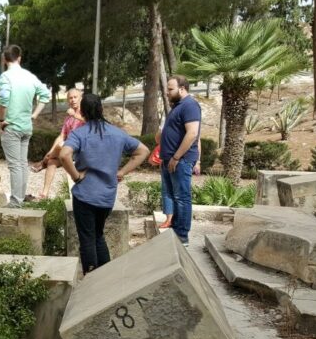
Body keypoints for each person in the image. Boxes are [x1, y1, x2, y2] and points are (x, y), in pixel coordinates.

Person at [60, 93, 149, 274]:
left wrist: (76, 177)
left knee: (87, 239)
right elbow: (143, 151)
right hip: (107, 196)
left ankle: (91, 281)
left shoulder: (80, 133)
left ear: (83, 112)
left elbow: (63, 155)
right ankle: (106, 278)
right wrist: (122, 171)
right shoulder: (117, 133)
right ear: (101, 109)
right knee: (98, 236)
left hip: (85, 195)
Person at [0, 45, 52, 207]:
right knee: (22, 164)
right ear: (19, 58)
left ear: (4, 59)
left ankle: (15, 202)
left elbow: (3, 100)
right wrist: (34, 115)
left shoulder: (6, 77)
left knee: (15, 166)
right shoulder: (30, 76)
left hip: (12, 127)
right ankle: (20, 199)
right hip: (26, 127)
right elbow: (45, 95)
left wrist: (1, 119)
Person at [159, 75, 201, 246]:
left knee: (182, 197)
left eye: (170, 89)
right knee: (173, 196)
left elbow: (192, 134)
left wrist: (176, 157)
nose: (167, 92)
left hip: (180, 160)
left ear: (182, 89)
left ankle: (182, 236)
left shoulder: (190, 105)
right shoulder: (177, 106)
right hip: (169, 160)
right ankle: (176, 230)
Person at [31, 88, 84, 199]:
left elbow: (91, 123)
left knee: (61, 147)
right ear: (68, 101)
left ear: (81, 98)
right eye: (70, 98)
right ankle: (44, 194)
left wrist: (75, 115)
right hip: (66, 149)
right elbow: (61, 136)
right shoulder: (68, 118)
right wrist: (49, 152)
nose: (73, 100)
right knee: (52, 161)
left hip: (79, 150)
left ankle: (42, 163)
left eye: (75, 97)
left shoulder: (85, 113)